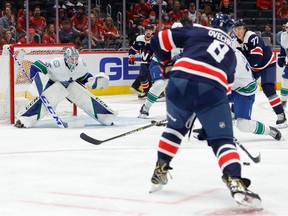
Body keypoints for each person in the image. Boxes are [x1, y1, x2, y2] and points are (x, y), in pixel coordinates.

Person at [148, 13, 262, 209]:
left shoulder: (197, 29)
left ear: (212, 24)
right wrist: (209, 121)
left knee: (174, 128)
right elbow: (226, 89)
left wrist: (166, 63)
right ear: (230, 31)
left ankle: (160, 168)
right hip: (211, 89)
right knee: (222, 140)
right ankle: (234, 179)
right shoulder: (232, 52)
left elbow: (156, 40)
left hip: (178, 81)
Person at [14, 47, 117, 128]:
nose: (74, 61)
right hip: (54, 84)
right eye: (72, 58)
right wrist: (35, 78)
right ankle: (24, 120)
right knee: (46, 101)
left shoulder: (81, 65)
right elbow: (37, 65)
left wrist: (94, 82)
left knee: (86, 98)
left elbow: (84, 77)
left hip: (70, 84)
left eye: (76, 58)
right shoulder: (57, 63)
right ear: (66, 58)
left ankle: (107, 118)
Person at [194, 49, 282, 141]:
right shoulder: (225, 52)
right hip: (234, 87)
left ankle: (269, 131)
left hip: (244, 92)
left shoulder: (233, 61)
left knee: (243, 124)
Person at [233, 19, 287, 128]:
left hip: (267, 64)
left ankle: (281, 115)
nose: (238, 32)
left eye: (240, 29)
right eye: (236, 29)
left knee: (268, 88)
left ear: (245, 29)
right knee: (239, 86)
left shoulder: (252, 37)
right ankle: (234, 111)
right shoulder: (234, 42)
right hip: (252, 67)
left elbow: (257, 58)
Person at [138, 21, 183, 118]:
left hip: (174, 66)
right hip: (159, 63)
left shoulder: (186, 42)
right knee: (160, 84)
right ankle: (145, 108)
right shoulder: (165, 39)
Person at [128, 23, 154, 99]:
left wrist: (154, 59)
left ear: (153, 31)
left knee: (153, 78)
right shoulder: (139, 39)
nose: (148, 32)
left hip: (153, 63)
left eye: (150, 30)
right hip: (144, 62)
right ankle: (146, 92)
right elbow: (133, 49)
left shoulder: (155, 40)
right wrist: (131, 56)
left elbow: (158, 52)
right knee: (142, 76)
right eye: (147, 30)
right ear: (144, 31)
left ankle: (161, 93)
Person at [277, 23, 288, 108]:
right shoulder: (284, 36)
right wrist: (281, 58)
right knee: (284, 82)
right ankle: (283, 101)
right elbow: (283, 49)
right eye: (286, 27)